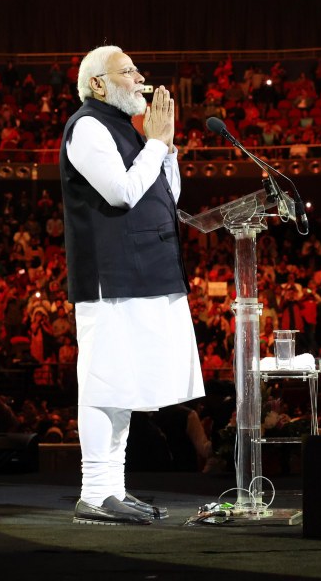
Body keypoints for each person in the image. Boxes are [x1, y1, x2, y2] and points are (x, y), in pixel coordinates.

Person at [60, 45, 205, 525]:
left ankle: (113, 489)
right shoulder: (87, 127)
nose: (140, 78)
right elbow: (121, 193)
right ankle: (94, 490)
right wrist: (158, 144)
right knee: (104, 385)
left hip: (143, 271)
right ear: (98, 84)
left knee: (122, 384)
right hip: (110, 277)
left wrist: (165, 146)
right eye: (128, 72)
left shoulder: (126, 128)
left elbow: (166, 195)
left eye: (138, 69)